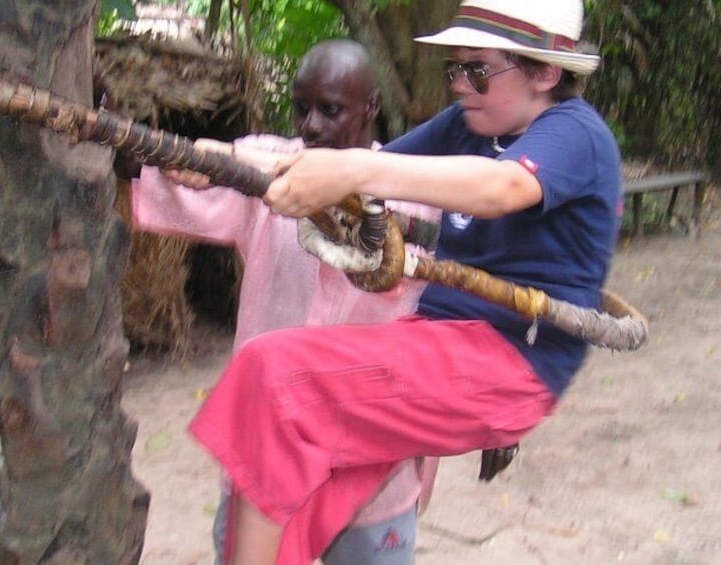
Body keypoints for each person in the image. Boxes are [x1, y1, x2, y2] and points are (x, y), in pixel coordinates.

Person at [187, 1, 623, 563]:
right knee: (299, 496)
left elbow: (499, 189)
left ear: (544, 73)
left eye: (478, 70)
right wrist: (225, 161)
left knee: (274, 374)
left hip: (511, 362)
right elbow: (359, 168)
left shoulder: (573, 133)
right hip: (438, 337)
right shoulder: (473, 122)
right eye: (454, 69)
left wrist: (355, 170)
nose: (461, 85)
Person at [132, 39, 441, 564]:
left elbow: (446, 327)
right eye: (302, 108)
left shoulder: (414, 192)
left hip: (370, 472)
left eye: (332, 109)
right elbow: (180, 178)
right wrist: (126, 150)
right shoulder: (267, 169)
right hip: (267, 462)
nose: (313, 125)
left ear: (371, 107)